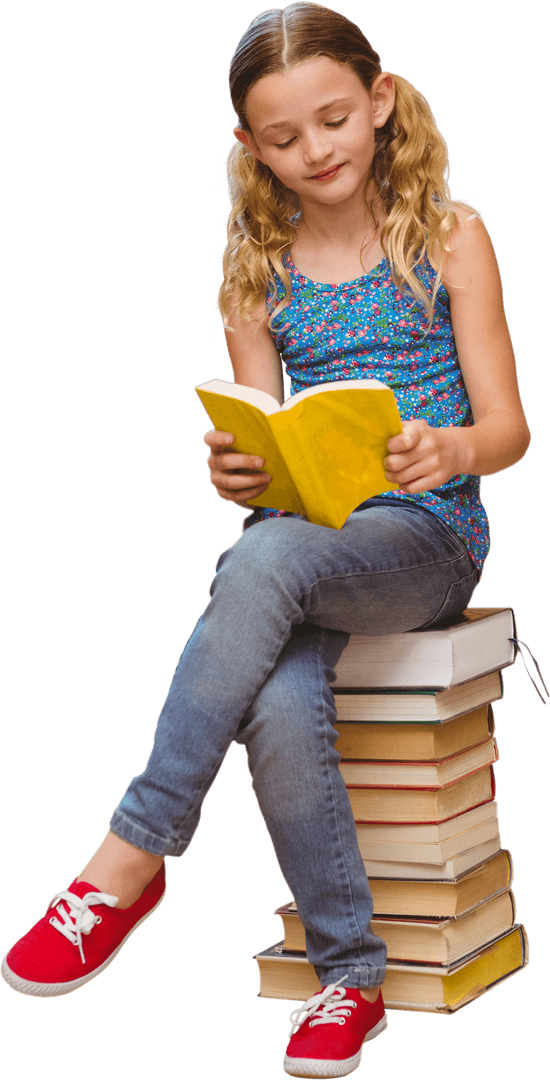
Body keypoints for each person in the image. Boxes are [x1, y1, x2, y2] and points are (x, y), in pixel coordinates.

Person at [1, 4, 530, 1077]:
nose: (315, 151)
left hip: (423, 541)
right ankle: (351, 976)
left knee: (260, 560)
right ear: (250, 146)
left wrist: (452, 451)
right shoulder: (257, 258)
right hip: (300, 540)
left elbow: (511, 428)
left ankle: (126, 862)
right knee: (280, 693)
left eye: (334, 120)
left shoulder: (446, 233)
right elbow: (262, 432)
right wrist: (234, 466)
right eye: (283, 138)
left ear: (379, 103)